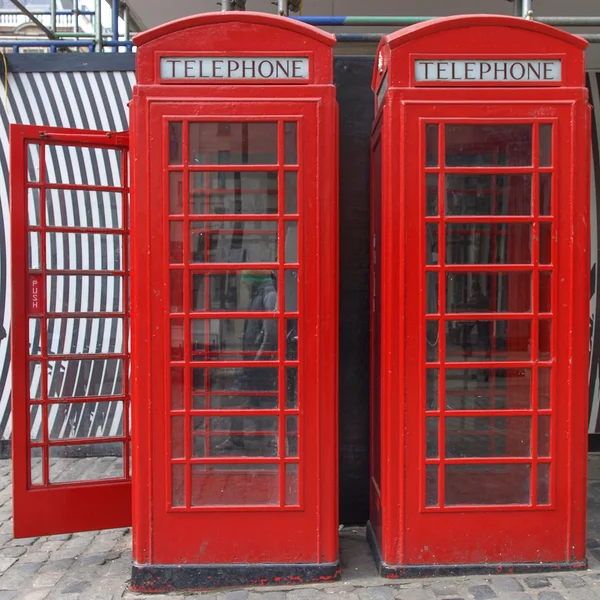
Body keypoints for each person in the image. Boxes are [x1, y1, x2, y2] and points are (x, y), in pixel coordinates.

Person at [216, 271, 278, 452]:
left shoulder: (269, 295)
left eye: (244, 281)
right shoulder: (261, 295)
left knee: (240, 398)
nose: (242, 285)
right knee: (255, 399)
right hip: (254, 360)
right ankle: (257, 433)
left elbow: (271, 333)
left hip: (260, 363)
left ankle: (240, 438)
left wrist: (258, 360)